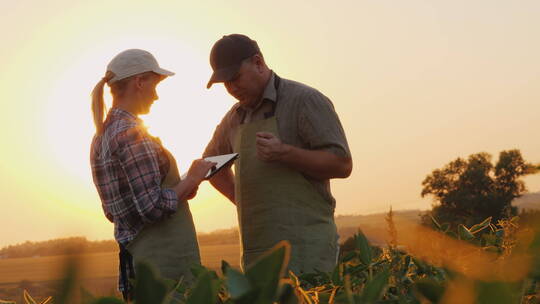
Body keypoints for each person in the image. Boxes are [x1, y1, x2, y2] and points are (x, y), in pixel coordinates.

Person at [204, 34, 353, 274]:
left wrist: (285, 153)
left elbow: (342, 164)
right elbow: (209, 166)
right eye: (225, 83)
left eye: (235, 78)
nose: (232, 88)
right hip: (257, 252)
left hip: (307, 248)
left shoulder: (305, 100)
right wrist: (242, 200)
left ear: (258, 62)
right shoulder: (233, 118)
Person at [89, 49, 215, 301]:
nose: (156, 95)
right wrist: (193, 178)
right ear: (139, 82)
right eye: (154, 85)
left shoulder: (100, 137)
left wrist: (179, 192)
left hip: (136, 263)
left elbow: (115, 211)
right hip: (165, 268)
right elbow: (151, 207)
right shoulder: (132, 134)